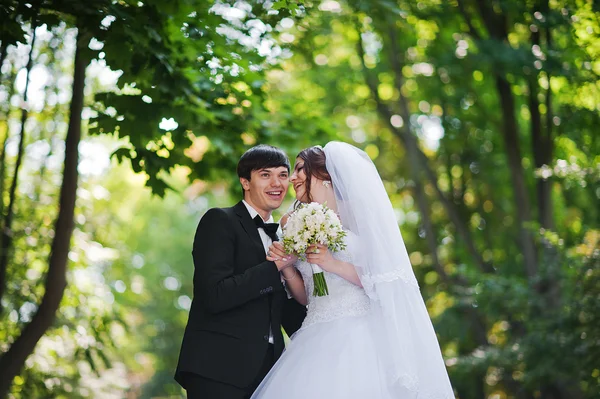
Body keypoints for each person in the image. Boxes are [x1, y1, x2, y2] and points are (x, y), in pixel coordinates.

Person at [252, 142, 455, 399]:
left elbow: (384, 279)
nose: (292, 177)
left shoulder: (361, 215)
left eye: (301, 169)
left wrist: (330, 262)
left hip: (361, 334)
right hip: (314, 334)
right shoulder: (289, 221)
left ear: (325, 175)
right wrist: (288, 268)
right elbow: (307, 297)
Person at [175, 144, 307, 399]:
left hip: (270, 373)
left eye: (282, 174)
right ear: (245, 182)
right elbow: (214, 295)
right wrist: (275, 267)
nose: (276, 183)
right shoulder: (219, 221)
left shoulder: (286, 238)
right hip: (217, 368)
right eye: (265, 175)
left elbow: (285, 313)